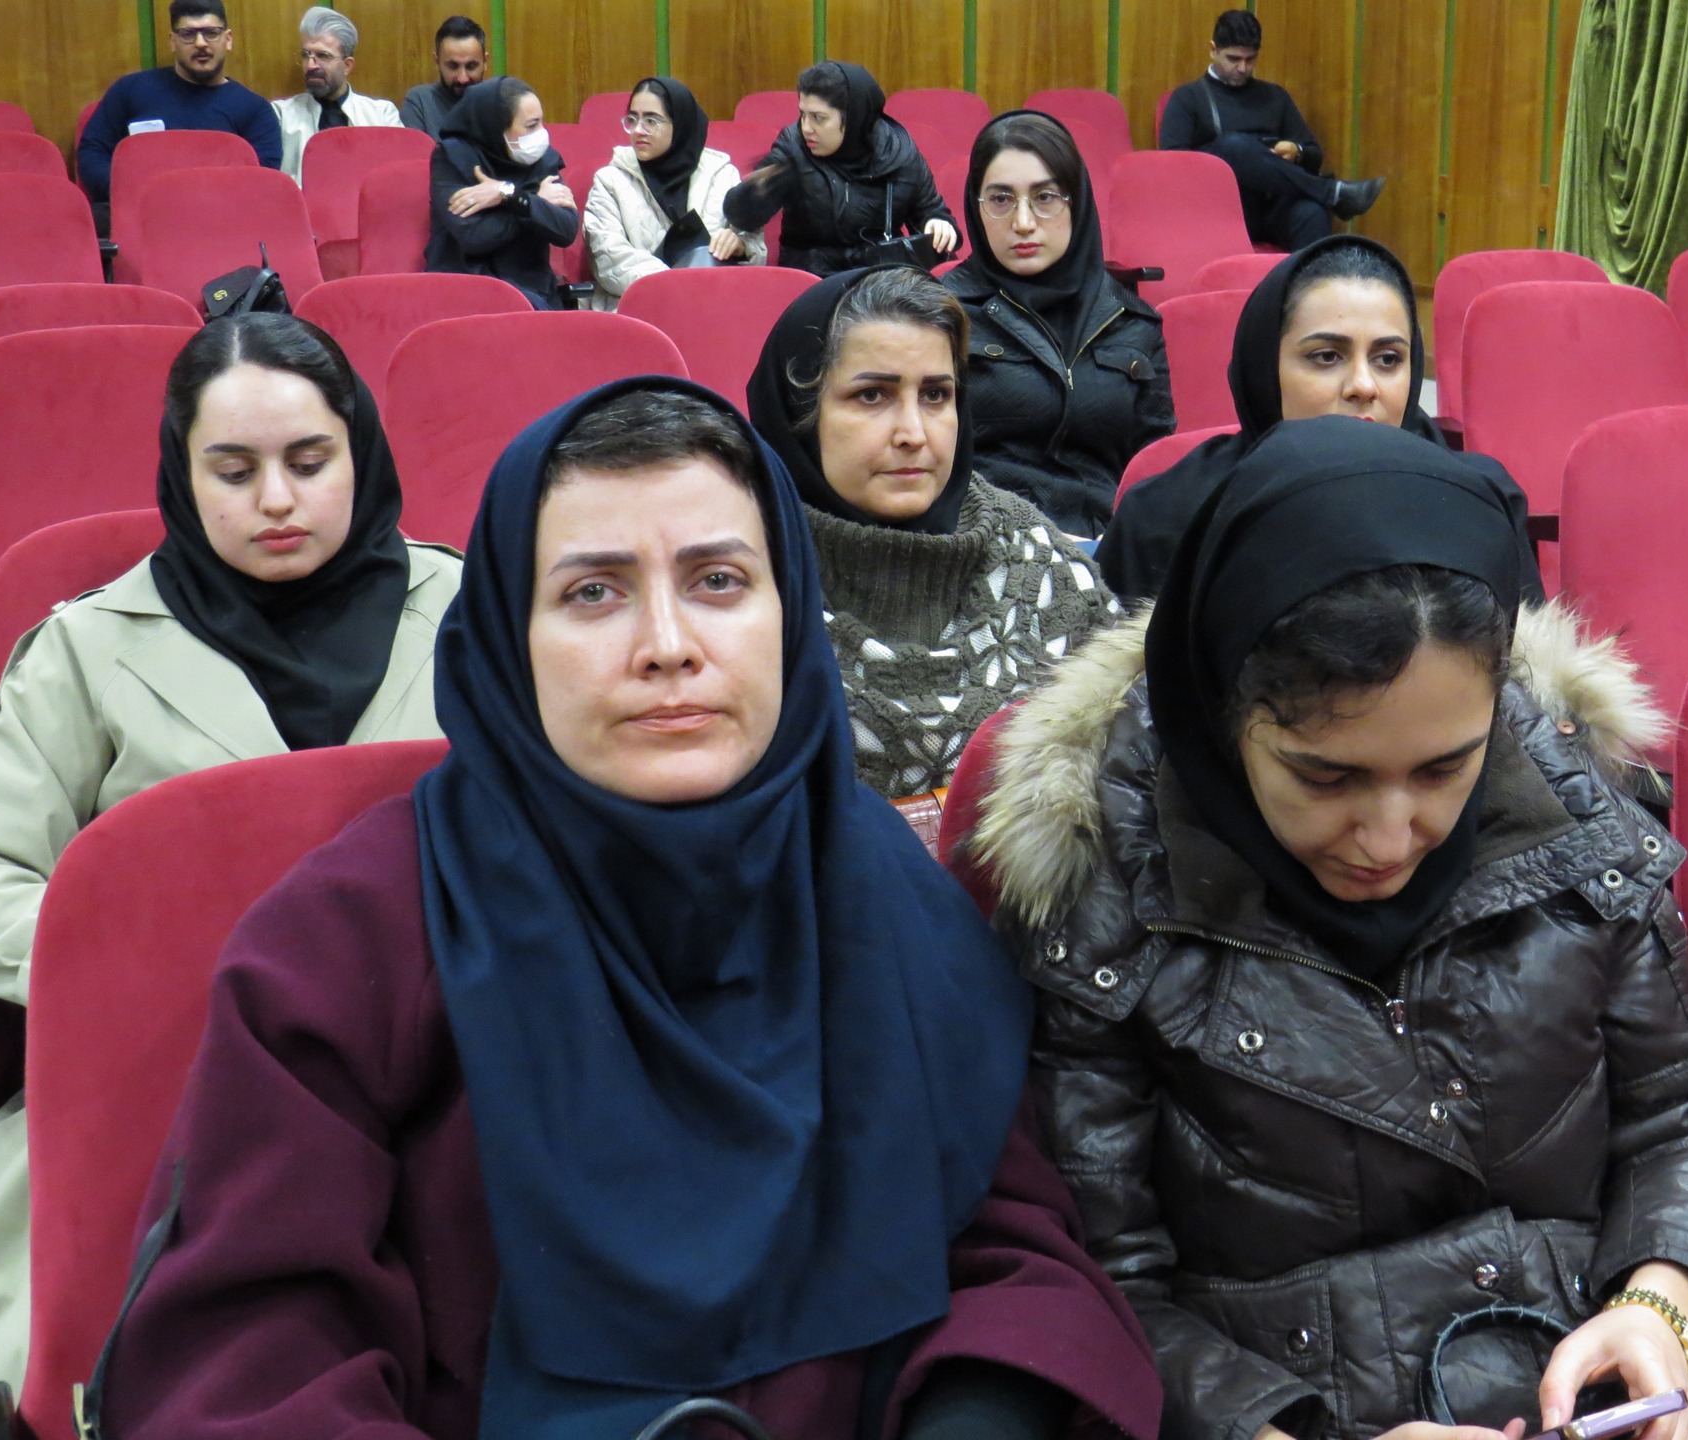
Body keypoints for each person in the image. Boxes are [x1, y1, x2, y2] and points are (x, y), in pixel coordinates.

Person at [89, 376, 1164, 1440]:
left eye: (718, 581)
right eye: (594, 593)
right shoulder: (351, 937)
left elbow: (1008, 1251)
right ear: (508, 634)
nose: (667, 644)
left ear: (792, 609)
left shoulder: (883, 892)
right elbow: (253, 1353)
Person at [969, 417, 1688, 1440]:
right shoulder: (1105, 888)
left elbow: (1679, 1123)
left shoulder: (1576, 817)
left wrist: (1659, 1305)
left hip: (1598, 1395)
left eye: (1445, 768)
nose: (1390, 838)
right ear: (1220, 714)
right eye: (1326, 777)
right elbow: (1104, 1293)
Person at [0, 313, 461, 1401]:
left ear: (361, 452)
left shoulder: (474, 613)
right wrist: (121, 974)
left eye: (310, 461)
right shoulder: (89, 647)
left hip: (448, 1066)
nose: (278, 501)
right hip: (165, 1073)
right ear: (182, 473)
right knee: (80, 1364)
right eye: (234, 472)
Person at [747, 266, 1118, 800]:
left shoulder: (1043, 571)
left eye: (936, 395)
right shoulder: (737, 577)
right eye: (871, 396)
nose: (913, 434)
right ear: (798, 412)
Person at [1097, 234, 1538, 606]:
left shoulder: (1480, 502)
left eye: (1388, 359)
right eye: (1326, 357)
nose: (1363, 385)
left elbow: (1531, 671)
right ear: (1264, 369)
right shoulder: (1165, 519)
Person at [944, 111, 1174, 538]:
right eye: (1001, 199)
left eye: (1045, 197)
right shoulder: (941, 314)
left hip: (1107, 543)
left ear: (1077, 202)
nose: (1023, 222)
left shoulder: (1132, 320)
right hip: (985, 539)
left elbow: (1154, 461)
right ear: (976, 209)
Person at [1160, 9, 1383, 251]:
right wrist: (1235, 156)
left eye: (1250, 59)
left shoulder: (1275, 97)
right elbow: (1175, 166)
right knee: (1234, 146)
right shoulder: (1188, 98)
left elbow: (1314, 154)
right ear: (1213, 50)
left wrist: (1296, 151)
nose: (1243, 68)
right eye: (1233, 59)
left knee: (1312, 212)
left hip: (1274, 206)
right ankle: (1331, 193)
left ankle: (1312, 274)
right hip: (1219, 208)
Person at [723, 61, 957, 277]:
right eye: (803, 115)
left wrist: (938, 223)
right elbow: (741, 217)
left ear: (854, 117)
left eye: (818, 118)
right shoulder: (793, 145)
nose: (806, 128)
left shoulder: (897, 151)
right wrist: (755, 193)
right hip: (812, 281)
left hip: (881, 282)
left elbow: (931, 210)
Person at [77, 0, 283, 207]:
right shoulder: (130, 90)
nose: (200, 43)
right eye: (188, 34)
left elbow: (261, 179)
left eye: (211, 33)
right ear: (173, 41)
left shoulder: (256, 111)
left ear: (228, 40)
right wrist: (130, 191)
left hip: (221, 216)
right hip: (139, 212)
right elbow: (93, 151)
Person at [583, 76, 764, 312]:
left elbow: (755, 247)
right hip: (638, 307)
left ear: (679, 124)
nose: (638, 130)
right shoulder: (610, 180)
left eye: (651, 121)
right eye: (632, 119)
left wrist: (741, 245)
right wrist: (678, 286)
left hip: (714, 306)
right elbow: (609, 259)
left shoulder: (722, 174)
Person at [427, 76, 578, 309]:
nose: (541, 133)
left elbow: (565, 229)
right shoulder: (452, 158)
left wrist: (510, 195)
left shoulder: (543, 159)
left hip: (533, 287)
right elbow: (474, 236)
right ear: (496, 127)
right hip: (468, 288)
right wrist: (534, 204)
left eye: (541, 122)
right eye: (531, 125)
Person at [272, 6, 403, 183]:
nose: (310, 65)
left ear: (347, 66)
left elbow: (397, 179)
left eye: (323, 56)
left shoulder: (382, 115)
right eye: (306, 55)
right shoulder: (281, 114)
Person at [400, 14, 486, 139]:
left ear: (485, 61)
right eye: (453, 66)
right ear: (437, 61)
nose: (463, 78)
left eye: (471, 66)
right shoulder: (420, 102)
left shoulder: (502, 105)